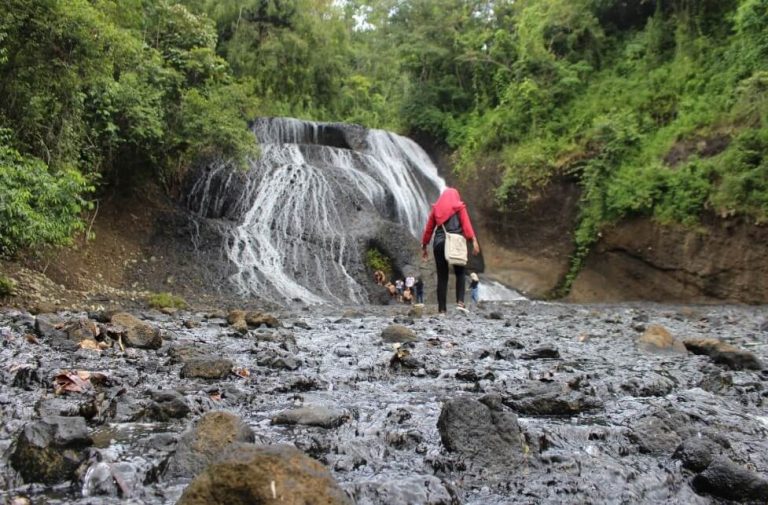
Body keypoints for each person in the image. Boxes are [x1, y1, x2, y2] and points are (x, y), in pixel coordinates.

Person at [421, 187, 480, 313]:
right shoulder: (459, 207)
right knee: (460, 272)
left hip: (439, 243)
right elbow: (466, 225)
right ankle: (460, 302)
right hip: (456, 243)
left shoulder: (436, 209)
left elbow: (428, 229)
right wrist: (473, 240)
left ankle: (442, 309)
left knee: (442, 277)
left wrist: (424, 246)